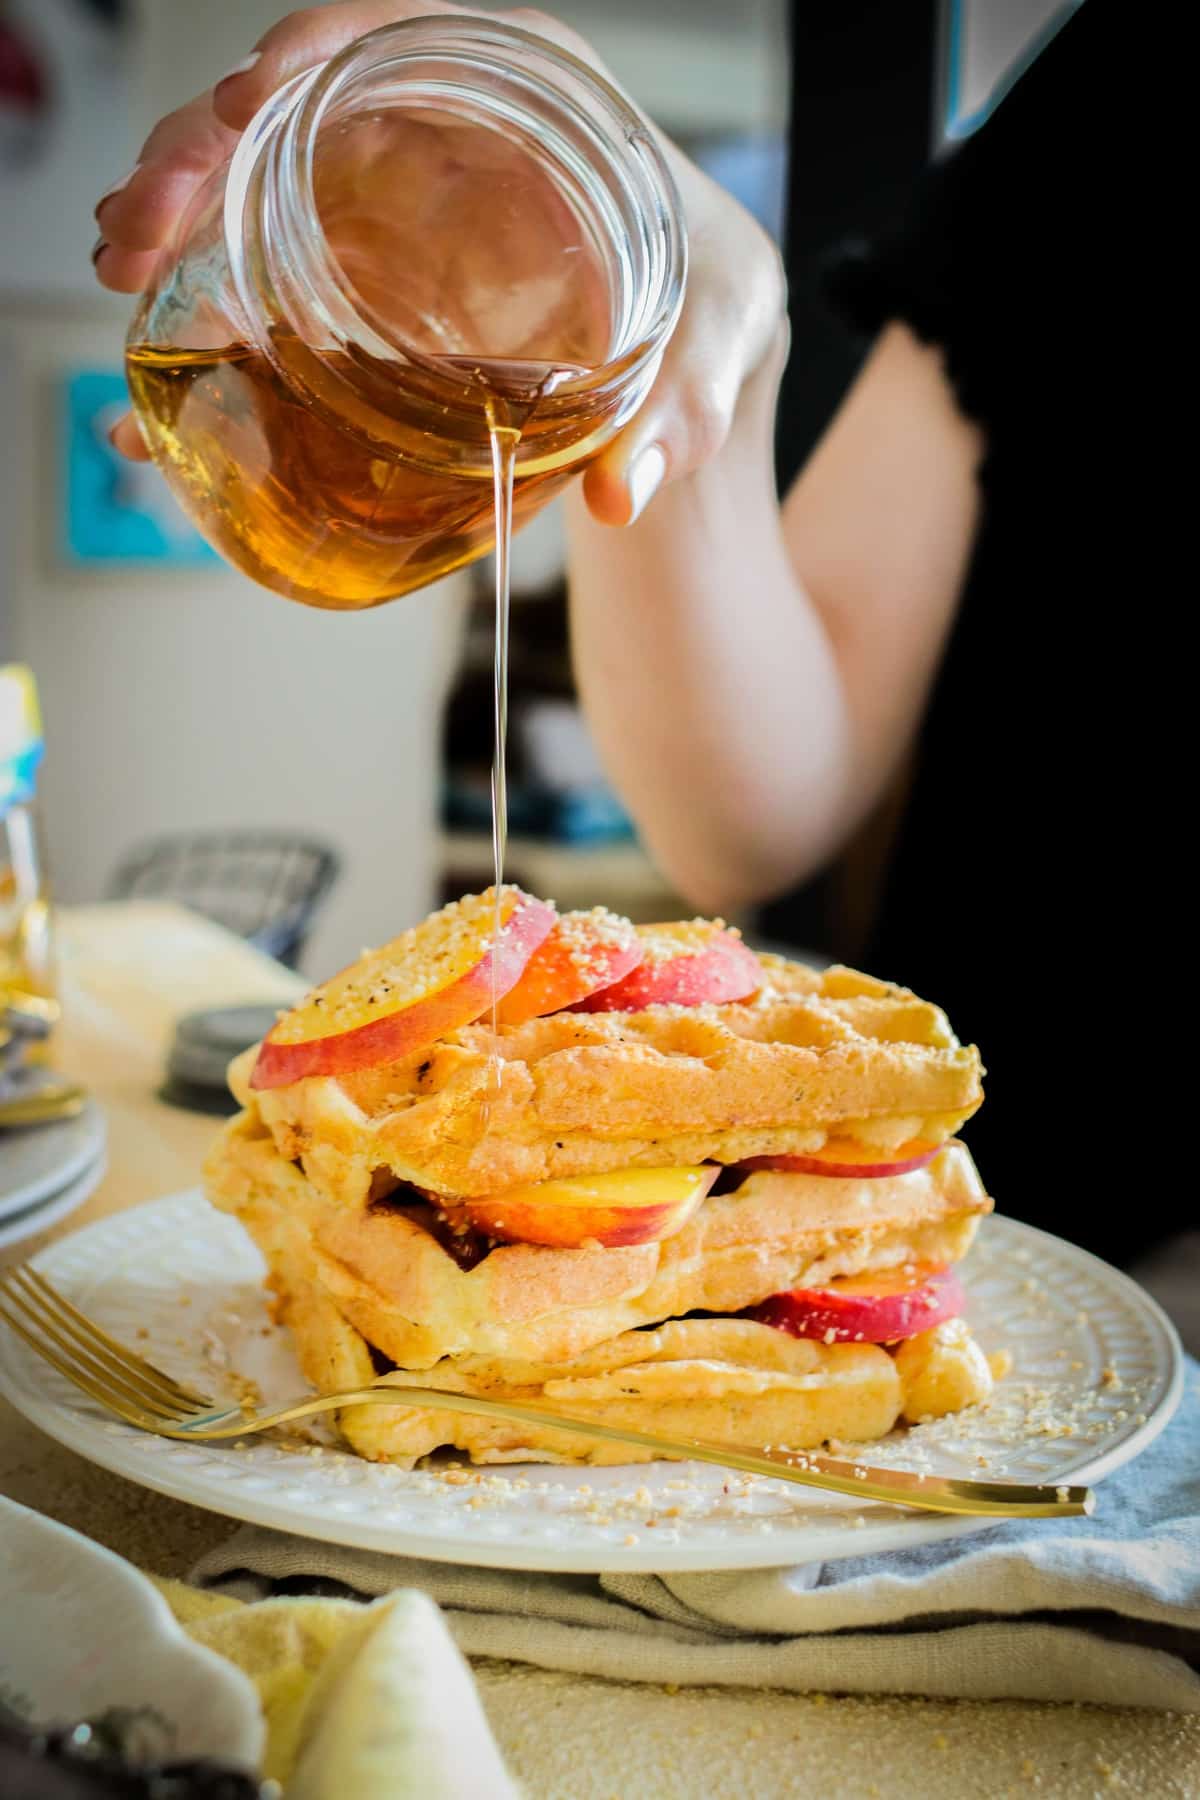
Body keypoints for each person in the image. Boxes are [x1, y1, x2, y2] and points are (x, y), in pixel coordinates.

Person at [92, 0, 1158, 1266]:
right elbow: (750, 816)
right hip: (1008, 1249)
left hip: (1033, 1272)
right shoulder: (1106, 109)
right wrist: (704, 320)